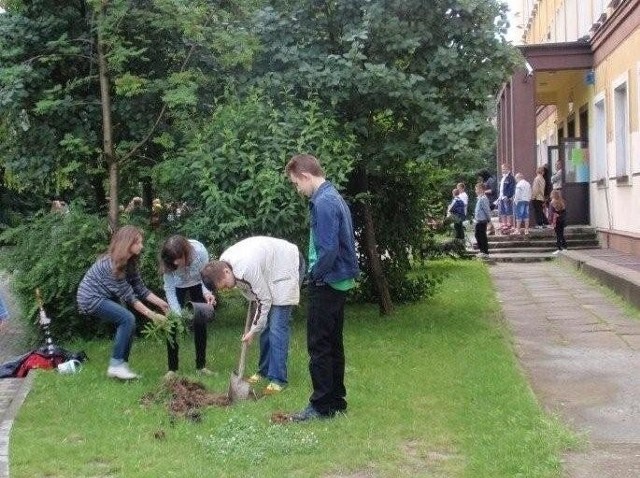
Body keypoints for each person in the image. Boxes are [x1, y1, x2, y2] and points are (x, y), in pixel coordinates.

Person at [284, 153, 359, 422]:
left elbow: (328, 249)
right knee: (333, 343)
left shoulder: (323, 202)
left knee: (319, 346)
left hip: (327, 281)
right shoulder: (334, 196)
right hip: (338, 281)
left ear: (305, 176)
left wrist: (313, 277)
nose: (298, 190)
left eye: (296, 184)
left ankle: (321, 406)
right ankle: (336, 400)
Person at [200, 236, 303, 395]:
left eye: (226, 286)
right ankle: (264, 371)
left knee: (276, 327)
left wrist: (252, 331)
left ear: (227, 271)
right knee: (266, 326)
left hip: (287, 265)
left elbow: (264, 300)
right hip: (269, 270)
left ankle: (278, 379)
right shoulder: (223, 265)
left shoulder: (245, 268)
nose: (227, 289)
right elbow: (254, 293)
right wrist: (255, 328)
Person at [77, 225, 169, 380]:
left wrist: (163, 304)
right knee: (127, 318)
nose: (142, 246)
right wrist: (153, 315)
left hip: (102, 296)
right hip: (89, 298)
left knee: (129, 322)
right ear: (128, 243)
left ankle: (121, 367)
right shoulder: (112, 265)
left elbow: (139, 288)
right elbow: (130, 297)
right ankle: (116, 366)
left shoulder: (129, 261)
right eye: (138, 242)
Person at [160, 235, 216, 377]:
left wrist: (207, 293)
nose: (176, 264)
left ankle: (201, 366)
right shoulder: (168, 261)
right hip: (177, 287)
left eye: (179, 260)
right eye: (173, 263)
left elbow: (206, 277)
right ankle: (172, 369)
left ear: (186, 253)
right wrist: (178, 314)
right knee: (172, 325)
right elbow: (170, 290)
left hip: (198, 283)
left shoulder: (200, 252)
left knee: (200, 322)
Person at [474, 182, 492, 258]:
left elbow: (487, 210)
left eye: (476, 189)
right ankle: (482, 251)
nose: (475, 191)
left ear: (481, 189)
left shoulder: (484, 198)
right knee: (477, 235)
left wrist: (489, 220)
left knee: (482, 236)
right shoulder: (479, 198)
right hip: (478, 220)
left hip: (482, 221)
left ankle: (485, 252)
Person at [497, 163, 516, 234]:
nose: (502, 170)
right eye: (502, 169)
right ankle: (503, 224)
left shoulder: (511, 178)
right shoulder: (503, 177)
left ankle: (508, 224)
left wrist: (508, 196)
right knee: (502, 210)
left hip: (506, 197)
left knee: (508, 210)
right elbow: (501, 188)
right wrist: (500, 196)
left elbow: (512, 188)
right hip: (501, 197)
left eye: (504, 169)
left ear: (508, 169)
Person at [477, 169, 497, 235]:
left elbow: (493, 190)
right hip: (487, 200)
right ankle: (491, 229)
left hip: (491, 200)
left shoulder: (490, 180)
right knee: (485, 214)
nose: (480, 177)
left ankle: (491, 228)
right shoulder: (485, 181)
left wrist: (483, 192)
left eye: (481, 176)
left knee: (486, 214)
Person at [549, 190, 568, 254]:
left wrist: (550, 222)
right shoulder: (562, 202)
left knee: (558, 234)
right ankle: (565, 247)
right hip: (562, 220)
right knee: (561, 234)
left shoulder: (552, 203)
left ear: (553, 195)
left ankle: (559, 248)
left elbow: (551, 213)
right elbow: (564, 212)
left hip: (555, 221)